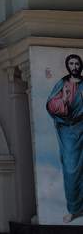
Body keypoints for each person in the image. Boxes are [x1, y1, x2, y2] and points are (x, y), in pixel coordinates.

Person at [46, 54, 83, 223]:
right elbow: (51, 105)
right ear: (68, 66)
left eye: (77, 63)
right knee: (71, 169)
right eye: (71, 64)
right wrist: (64, 100)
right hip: (69, 131)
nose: (74, 66)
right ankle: (75, 209)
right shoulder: (62, 84)